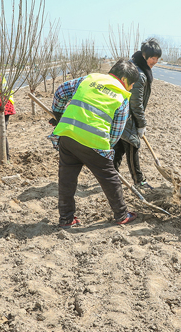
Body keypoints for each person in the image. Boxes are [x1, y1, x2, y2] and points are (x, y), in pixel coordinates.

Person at [49, 59, 141, 228]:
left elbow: (61, 91)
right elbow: (116, 132)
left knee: (66, 179)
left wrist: (59, 115)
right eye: (132, 84)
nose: (132, 88)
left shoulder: (89, 79)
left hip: (67, 134)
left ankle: (66, 218)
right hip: (94, 140)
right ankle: (121, 214)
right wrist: (106, 149)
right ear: (125, 80)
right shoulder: (122, 96)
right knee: (110, 177)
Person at [113, 38, 162, 189]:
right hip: (128, 116)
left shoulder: (133, 64)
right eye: (153, 58)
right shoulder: (139, 75)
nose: (155, 61)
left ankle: (111, 175)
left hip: (119, 114)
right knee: (133, 145)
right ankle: (139, 181)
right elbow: (136, 103)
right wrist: (141, 124)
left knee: (119, 148)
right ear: (144, 56)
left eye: (157, 58)